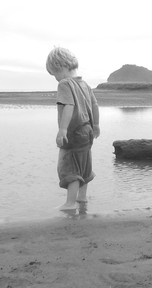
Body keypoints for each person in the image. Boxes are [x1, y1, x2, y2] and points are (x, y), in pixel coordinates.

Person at [46, 47, 100, 211]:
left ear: (60, 67)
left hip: (74, 132)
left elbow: (68, 105)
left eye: (54, 74)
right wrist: (96, 125)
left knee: (71, 167)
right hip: (87, 132)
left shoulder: (64, 83)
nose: (55, 78)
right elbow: (95, 105)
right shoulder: (84, 84)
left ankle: (70, 203)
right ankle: (81, 198)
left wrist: (62, 130)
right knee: (84, 165)